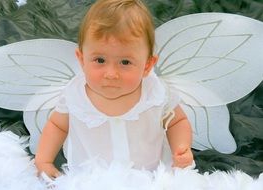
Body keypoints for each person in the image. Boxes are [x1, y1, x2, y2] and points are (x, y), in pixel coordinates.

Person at [35, 0, 193, 179]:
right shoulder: (75, 95)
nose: (111, 74)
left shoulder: (155, 92)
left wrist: (182, 147)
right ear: (82, 59)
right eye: (100, 60)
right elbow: (57, 126)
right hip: (90, 180)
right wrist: (44, 161)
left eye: (125, 62)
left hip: (149, 178)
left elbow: (177, 121)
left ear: (147, 65)